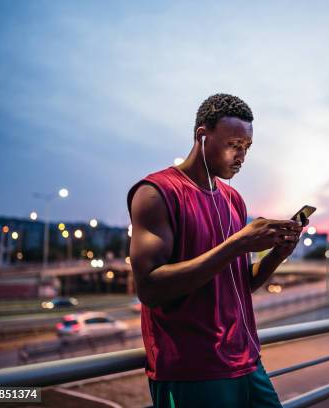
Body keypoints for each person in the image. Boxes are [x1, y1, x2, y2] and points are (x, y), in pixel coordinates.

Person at [126, 93, 307, 407]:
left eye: (247, 147)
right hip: (192, 371)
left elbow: (240, 284)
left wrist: (278, 254)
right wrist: (238, 243)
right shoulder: (155, 193)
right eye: (234, 144)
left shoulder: (233, 200)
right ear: (202, 136)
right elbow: (150, 289)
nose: (241, 156)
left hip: (247, 361)